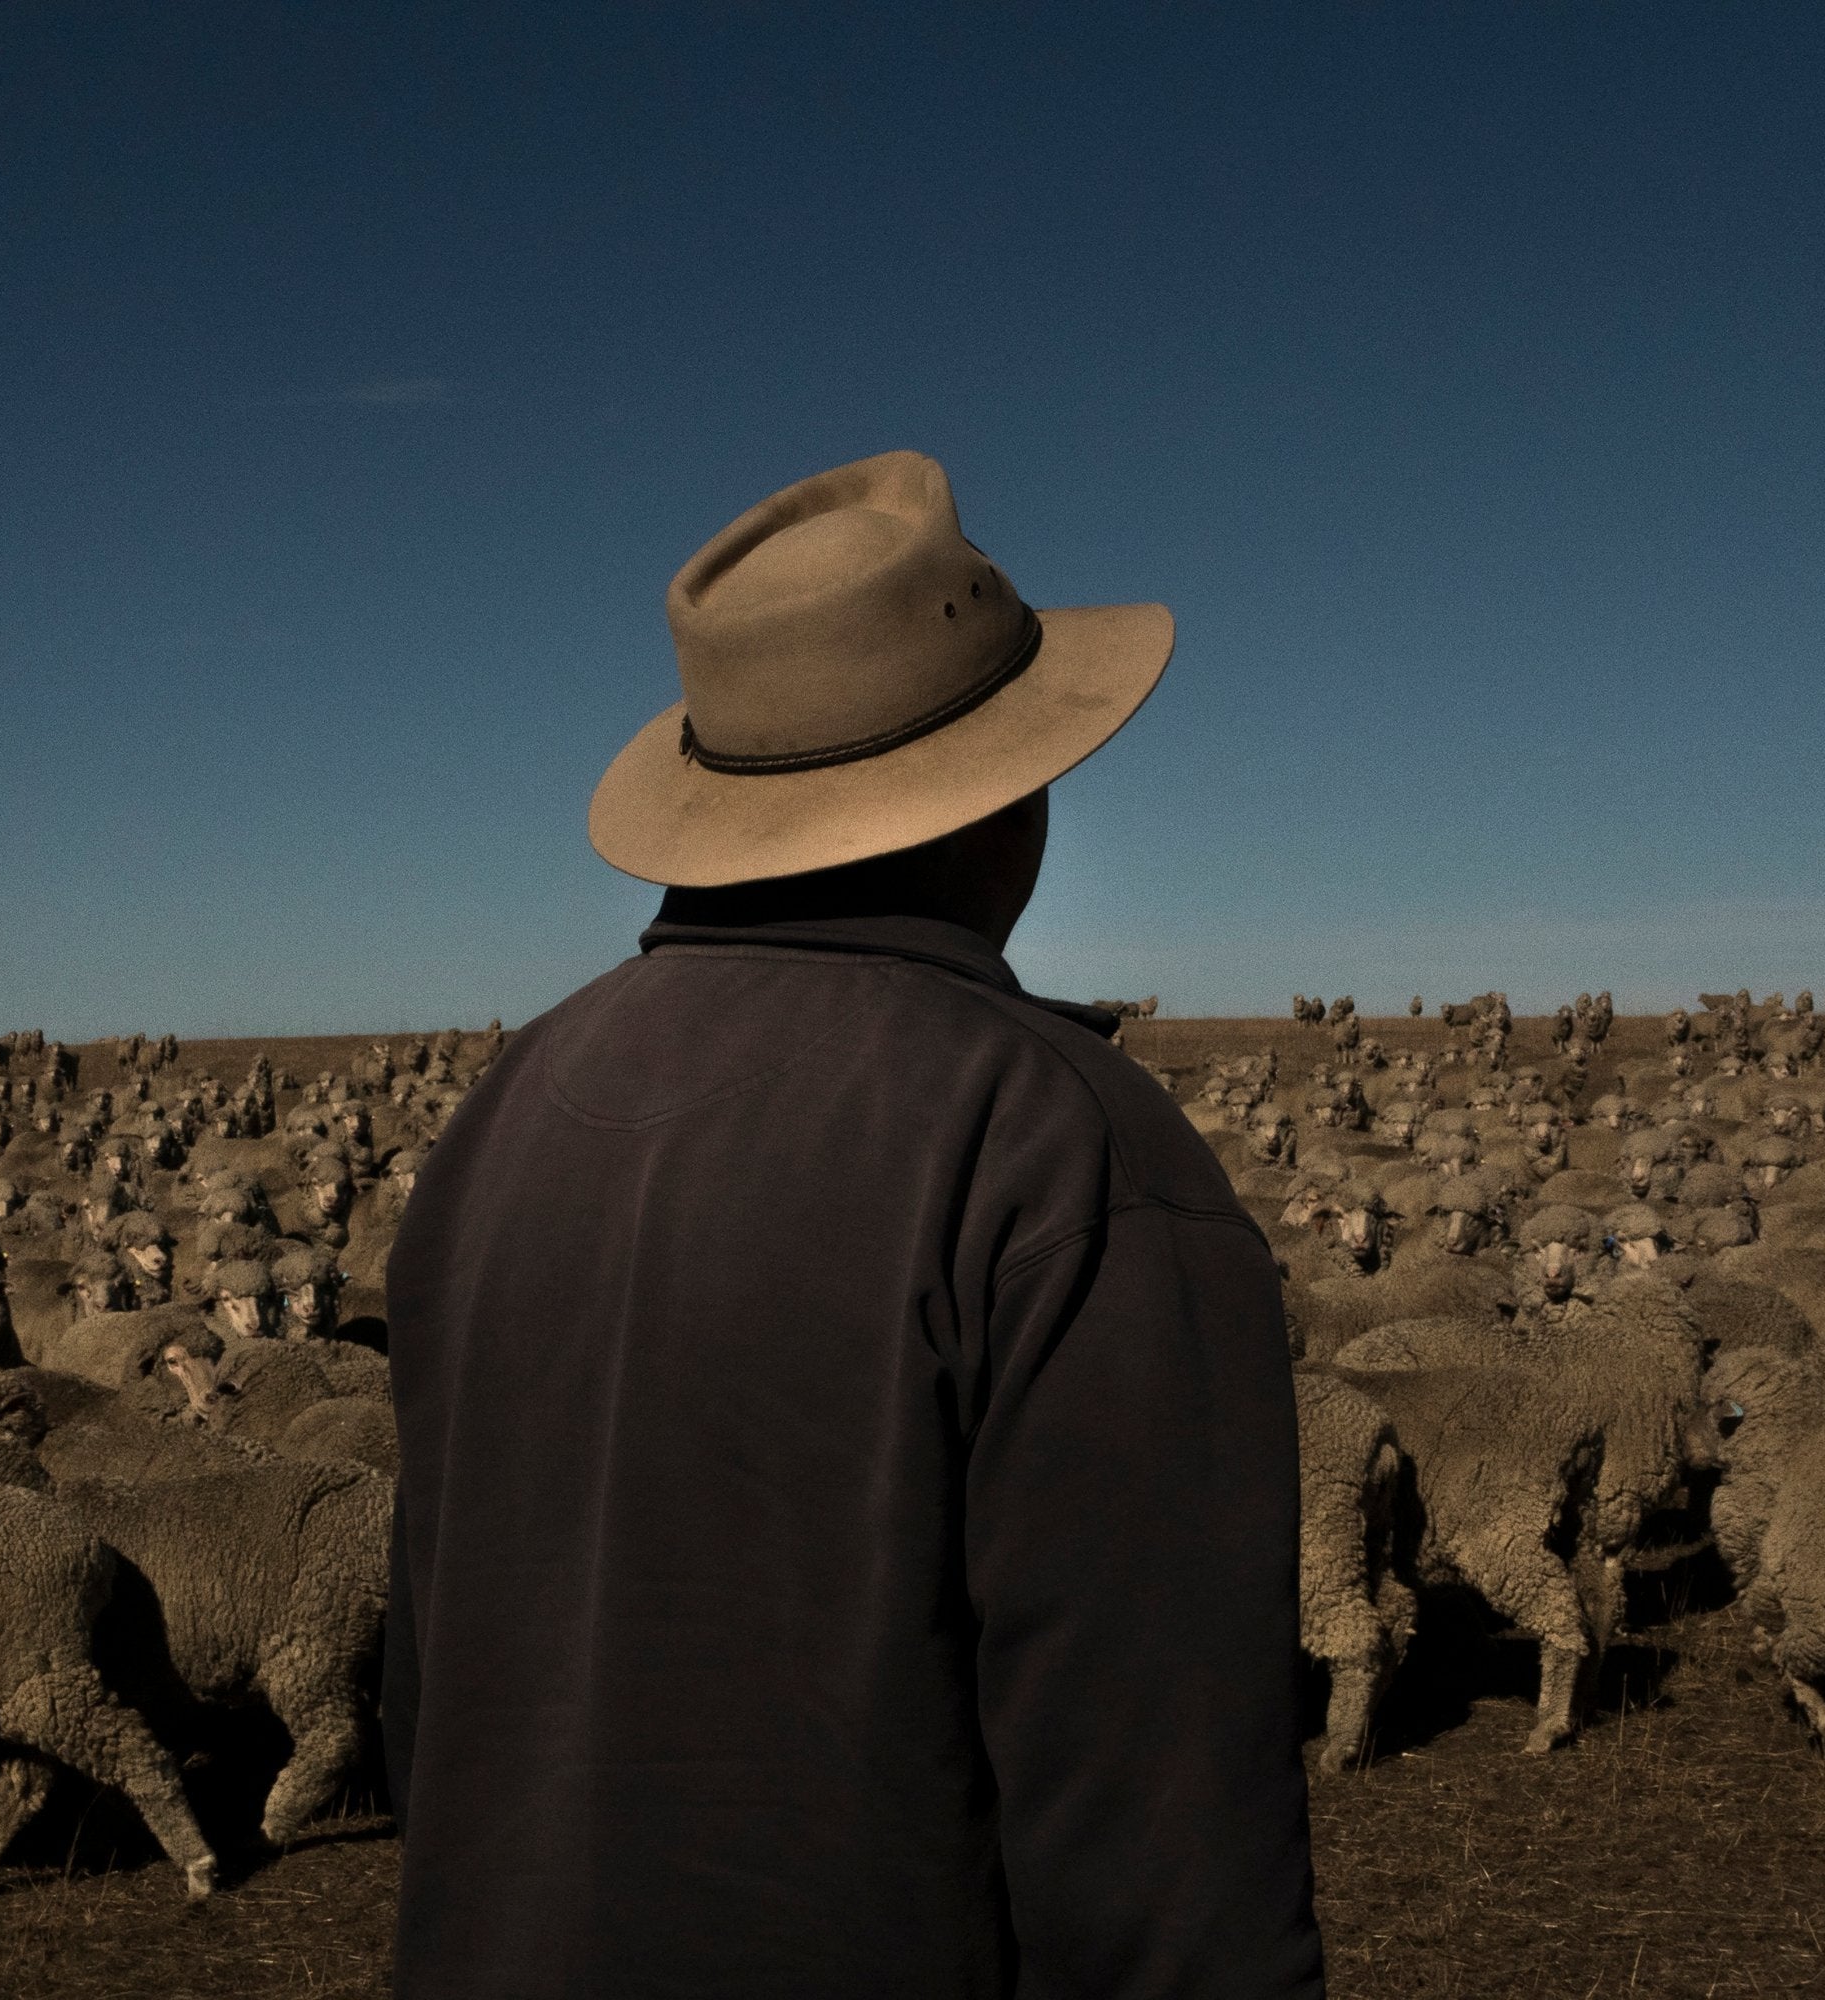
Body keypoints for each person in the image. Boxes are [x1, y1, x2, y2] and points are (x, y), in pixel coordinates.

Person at [383, 450, 1321, 1997]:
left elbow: (437, 1706)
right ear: (1006, 795)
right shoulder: (1055, 1140)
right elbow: (1164, 1843)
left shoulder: (508, 1109)